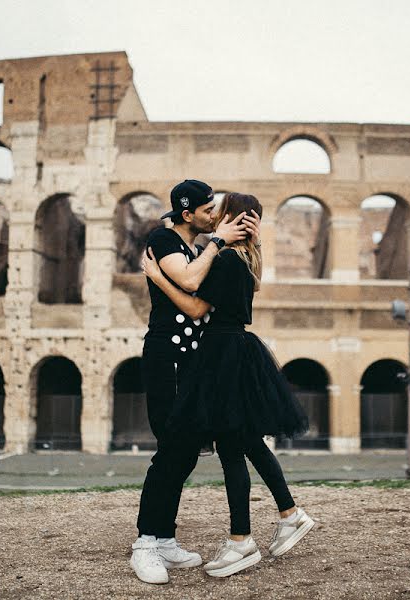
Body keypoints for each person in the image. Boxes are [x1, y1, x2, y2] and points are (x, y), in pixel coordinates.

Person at [142, 192, 315, 579]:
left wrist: (156, 278)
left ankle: (242, 541)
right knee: (246, 440)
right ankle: (287, 515)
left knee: (233, 448)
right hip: (236, 348)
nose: (213, 218)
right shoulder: (246, 257)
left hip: (222, 352)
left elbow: (195, 307)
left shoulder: (222, 259)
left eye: (218, 213)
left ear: (230, 218)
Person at [130, 179, 259, 585]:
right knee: (170, 449)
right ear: (188, 214)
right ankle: (145, 543)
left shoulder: (194, 246)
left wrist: (212, 248)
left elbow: (201, 301)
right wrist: (218, 242)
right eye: (207, 210)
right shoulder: (163, 239)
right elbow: (188, 282)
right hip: (166, 354)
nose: (213, 216)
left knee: (185, 451)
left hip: (192, 361)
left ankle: (165, 537)